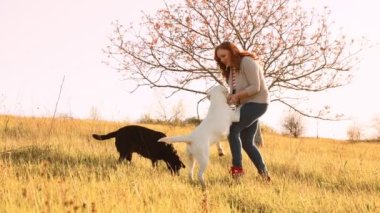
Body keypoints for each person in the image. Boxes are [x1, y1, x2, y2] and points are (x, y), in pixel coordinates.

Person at [214, 41, 271, 181]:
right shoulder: (231, 70)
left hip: (258, 104)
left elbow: (255, 87)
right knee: (247, 142)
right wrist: (230, 98)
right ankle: (264, 176)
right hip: (246, 106)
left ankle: (237, 170)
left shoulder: (247, 62)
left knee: (233, 130)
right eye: (219, 58)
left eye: (223, 56)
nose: (222, 60)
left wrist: (237, 96)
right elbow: (236, 93)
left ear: (232, 51)